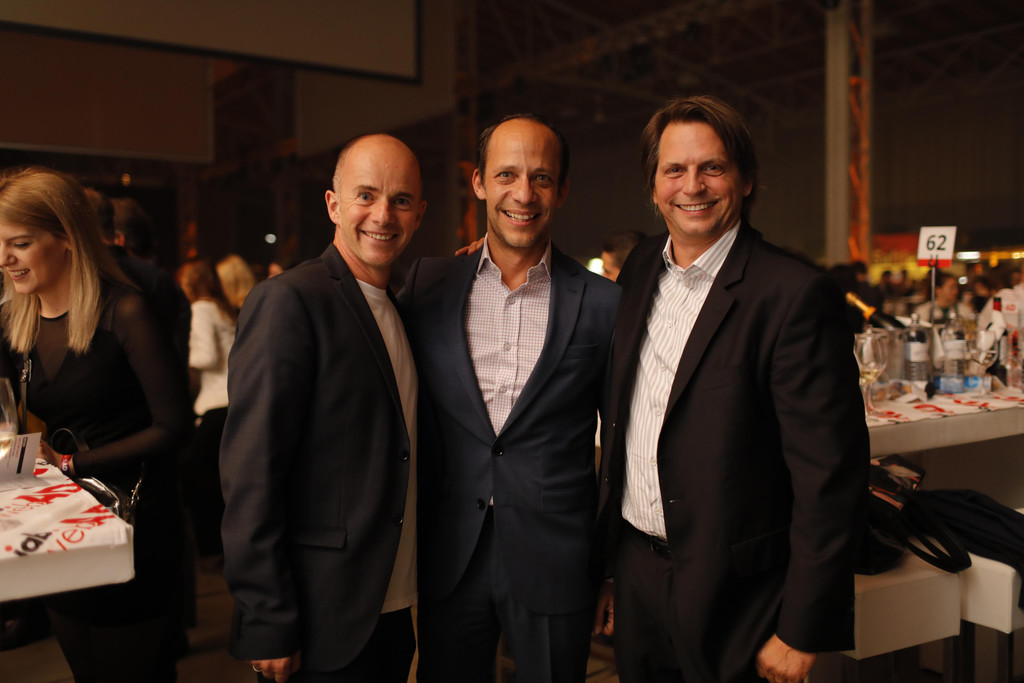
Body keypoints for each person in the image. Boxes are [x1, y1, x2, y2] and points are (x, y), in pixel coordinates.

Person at [592, 96, 868, 683]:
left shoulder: (793, 293)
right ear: (653, 187)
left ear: (745, 180)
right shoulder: (639, 267)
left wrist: (802, 627)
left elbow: (829, 476)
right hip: (638, 574)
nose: (692, 185)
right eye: (674, 169)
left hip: (740, 594)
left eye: (712, 167)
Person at [399, 113, 620, 683]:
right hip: (451, 553)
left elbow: (621, 446)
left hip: (558, 558)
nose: (523, 194)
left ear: (561, 190)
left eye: (541, 178)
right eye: (506, 175)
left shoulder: (603, 303)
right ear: (479, 182)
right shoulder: (427, 285)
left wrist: (611, 567)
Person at [219, 134, 426, 683]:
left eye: (401, 200)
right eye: (366, 195)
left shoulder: (398, 308)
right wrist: (267, 617)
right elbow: (251, 473)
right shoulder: (290, 300)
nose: (383, 215)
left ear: (419, 214)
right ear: (333, 204)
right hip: (319, 615)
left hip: (389, 606)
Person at [0, 166, 192, 681]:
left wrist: (69, 462)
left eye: (20, 243)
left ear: (66, 237)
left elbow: (174, 427)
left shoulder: (124, 311)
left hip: (131, 524)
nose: (3, 258)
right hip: (63, 526)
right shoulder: (18, 320)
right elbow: (8, 415)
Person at [177, 258, 236, 559]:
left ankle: (212, 549)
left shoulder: (200, 308)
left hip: (214, 404)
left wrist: (176, 358)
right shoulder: (221, 307)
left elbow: (207, 356)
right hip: (232, 401)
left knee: (202, 480)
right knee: (222, 480)